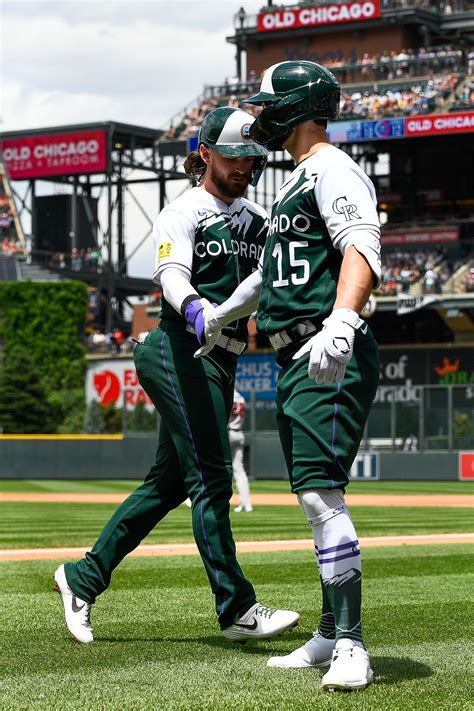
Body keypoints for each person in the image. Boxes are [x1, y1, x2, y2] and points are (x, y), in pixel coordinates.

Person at [54, 106, 299, 646]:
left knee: (167, 485)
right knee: (211, 480)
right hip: (178, 349)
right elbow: (170, 274)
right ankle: (236, 609)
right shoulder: (184, 209)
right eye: (233, 156)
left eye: (251, 158)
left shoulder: (257, 220)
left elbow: (268, 283)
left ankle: (81, 578)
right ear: (206, 153)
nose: (243, 167)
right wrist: (194, 310)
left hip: (220, 355)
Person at [200, 61, 381, 691]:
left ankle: (352, 645)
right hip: (293, 351)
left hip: (324, 348)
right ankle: (332, 632)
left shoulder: (332, 166)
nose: (262, 115)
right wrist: (223, 311)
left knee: (318, 493)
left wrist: (342, 322)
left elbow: (360, 243)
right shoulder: (301, 176)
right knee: (315, 492)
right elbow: (274, 272)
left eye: (270, 105)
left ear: (296, 108)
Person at [229, 389, 253, 512]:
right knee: (239, 470)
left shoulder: (225, 393)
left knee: (220, 468)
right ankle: (246, 503)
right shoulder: (241, 397)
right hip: (239, 433)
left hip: (227, 433)